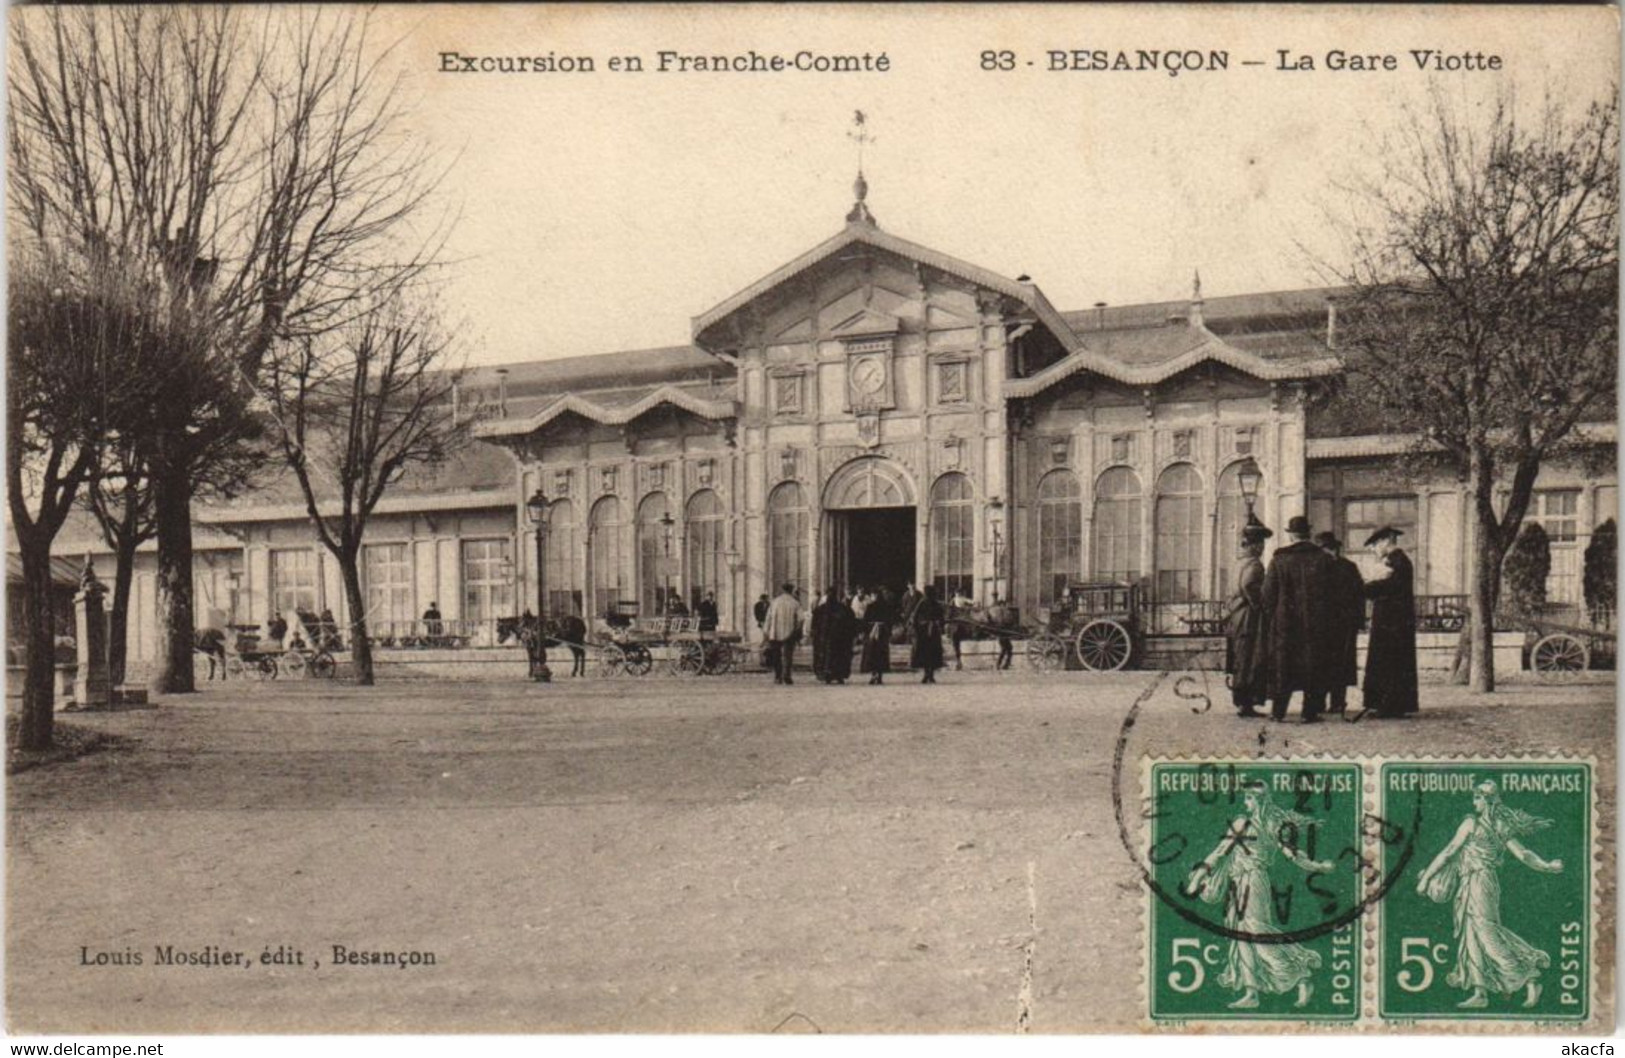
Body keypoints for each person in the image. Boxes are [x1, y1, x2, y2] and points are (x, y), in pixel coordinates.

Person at [1184, 782, 1334, 1009]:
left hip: (1254, 880)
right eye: (1245, 798)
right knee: (1240, 936)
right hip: (1237, 882)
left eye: (1249, 799)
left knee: (1256, 931)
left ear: (1259, 799)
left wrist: (1318, 867)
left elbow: (1291, 854)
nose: (1245, 803)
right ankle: (1251, 992)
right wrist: (1197, 879)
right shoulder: (1243, 823)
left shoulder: (1271, 824)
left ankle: (1301, 976)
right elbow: (1221, 851)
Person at [1415, 781, 1562, 1009]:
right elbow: (1524, 854)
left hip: (1480, 882)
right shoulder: (1500, 825)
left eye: (1477, 797)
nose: (1474, 802)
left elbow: (1449, 851)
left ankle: (1530, 976)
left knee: (1486, 933)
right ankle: (1480, 992)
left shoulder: (1471, 823)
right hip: (1473, 882)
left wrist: (1425, 880)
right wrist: (1547, 866)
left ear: (1486, 799)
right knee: (1471, 934)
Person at [1261, 515, 1335, 723]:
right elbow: (1334, 595)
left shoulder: (1279, 560)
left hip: (1285, 624)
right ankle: (1309, 712)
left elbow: (1267, 596)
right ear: (1308, 534)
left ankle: (1278, 712)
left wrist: (1274, 617)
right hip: (1316, 624)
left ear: (1291, 535)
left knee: (1283, 665)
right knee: (1314, 664)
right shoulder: (1323, 559)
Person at [1362, 526, 1419, 718]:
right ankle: (1386, 705)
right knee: (1389, 662)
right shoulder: (1396, 561)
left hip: (1393, 621)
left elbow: (1388, 587)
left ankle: (1389, 706)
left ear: (1387, 541)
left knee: (1389, 662)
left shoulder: (1398, 562)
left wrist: (1363, 587)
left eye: (1376, 544)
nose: (1374, 550)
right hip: (1392, 619)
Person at [1224, 520, 1272, 717]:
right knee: (1250, 658)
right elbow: (1249, 585)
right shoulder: (1254, 564)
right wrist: (1259, 604)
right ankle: (1246, 704)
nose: (1262, 548)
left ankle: (1242, 701)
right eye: (1260, 544)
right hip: (1249, 617)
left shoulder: (1237, 563)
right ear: (1254, 545)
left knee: (1240, 658)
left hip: (1236, 616)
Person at [1314, 532, 1365, 715]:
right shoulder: (1318, 567)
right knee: (1321, 664)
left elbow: (1359, 594)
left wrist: (1358, 621)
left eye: (1330, 548)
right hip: (1324, 625)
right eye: (1325, 549)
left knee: (1340, 665)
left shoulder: (1349, 567)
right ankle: (1319, 702)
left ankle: (1337, 702)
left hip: (1343, 625)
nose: (1328, 552)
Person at [763, 583, 803, 685]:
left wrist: (766, 632)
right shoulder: (795, 603)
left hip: (775, 632)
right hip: (789, 632)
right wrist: (798, 631)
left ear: (782, 590)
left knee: (776, 655)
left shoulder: (775, 602)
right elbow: (801, 619)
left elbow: (768, 618)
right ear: (791, 590)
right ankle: (787, 676)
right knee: (787, 655)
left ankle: (778, 676)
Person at [911, 584, 947, 684]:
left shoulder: (923, 603)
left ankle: (928, 674)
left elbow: (915, 617)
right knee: (930, 653)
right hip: (928, 631)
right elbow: (941, 618)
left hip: (926, 631)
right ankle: (929, 674)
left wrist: (916, 628)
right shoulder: (930, 603)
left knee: (928, 653)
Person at [861, 587, 895, 685]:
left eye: (873, 595)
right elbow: (890, 621)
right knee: (880, 655)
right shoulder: (885, 606)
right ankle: (878, 675)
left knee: (873, 654)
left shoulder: (871, 607)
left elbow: (865, 620)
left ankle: (875, 675)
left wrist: (865, 631)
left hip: (874, 633)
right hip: (880, 633)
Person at [825, 591, 857, 684]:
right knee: (840, 656)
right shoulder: (844, 609)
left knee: (831, 656)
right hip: (842, 637)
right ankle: (839, 674)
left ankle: (829, 674)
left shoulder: (824, 609)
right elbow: (851, 622)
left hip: (831, 637)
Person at [810, 588, 835, 682]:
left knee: (823, 655)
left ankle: (823, 672)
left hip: (823, 637)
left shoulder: (820, 609)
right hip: (830, 637)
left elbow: (814, 624)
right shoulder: (841, 608)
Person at [948, 587, 974, 670]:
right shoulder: (954, 600)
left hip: (961, 618)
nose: (958, 594)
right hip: (959, 617)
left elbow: (971, 602)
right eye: (957, 593)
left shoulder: (960, 599)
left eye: (959, 593)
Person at [988, 595, 1015, 671]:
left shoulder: (1000, 611)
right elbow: (1010, 621)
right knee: (1008, 647)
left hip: (1002, 629)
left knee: (1005, 648)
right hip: (1004, 629)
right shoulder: (1006, 612)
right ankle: (1005, 663)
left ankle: (999, 664)